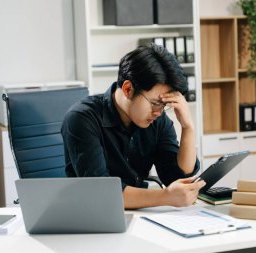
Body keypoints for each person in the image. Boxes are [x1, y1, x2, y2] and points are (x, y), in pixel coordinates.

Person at [61, 43, 205, 209]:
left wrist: (188, 127)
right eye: (156, 103)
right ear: (128, 89)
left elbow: (176, 178)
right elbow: (101, 193)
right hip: (92, 216)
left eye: (164, 105)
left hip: (138, 214)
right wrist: (165, 196)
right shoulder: (82, 118)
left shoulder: (157, 120)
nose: (159, 112)